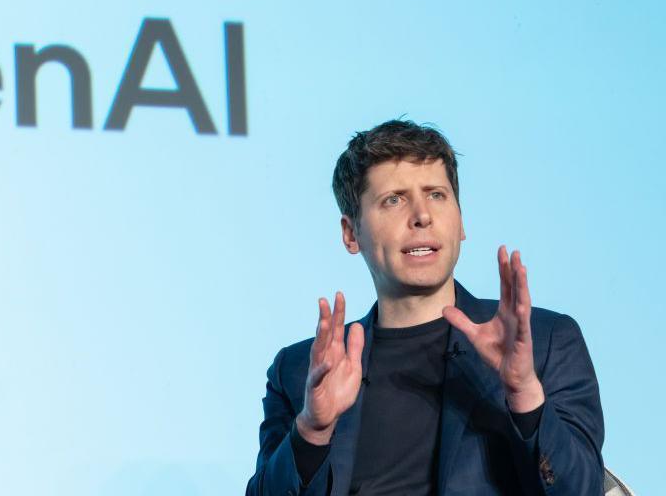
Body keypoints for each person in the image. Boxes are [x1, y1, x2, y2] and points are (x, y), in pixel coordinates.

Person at [246, 120, 604, 495]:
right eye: (394, 199)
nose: (422, 215)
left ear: (460, 221)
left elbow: (581, 489)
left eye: (436, 195)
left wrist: (525, 392)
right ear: (351, 233)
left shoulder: (545, 342)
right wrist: (312, 430)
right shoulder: (299, 370)